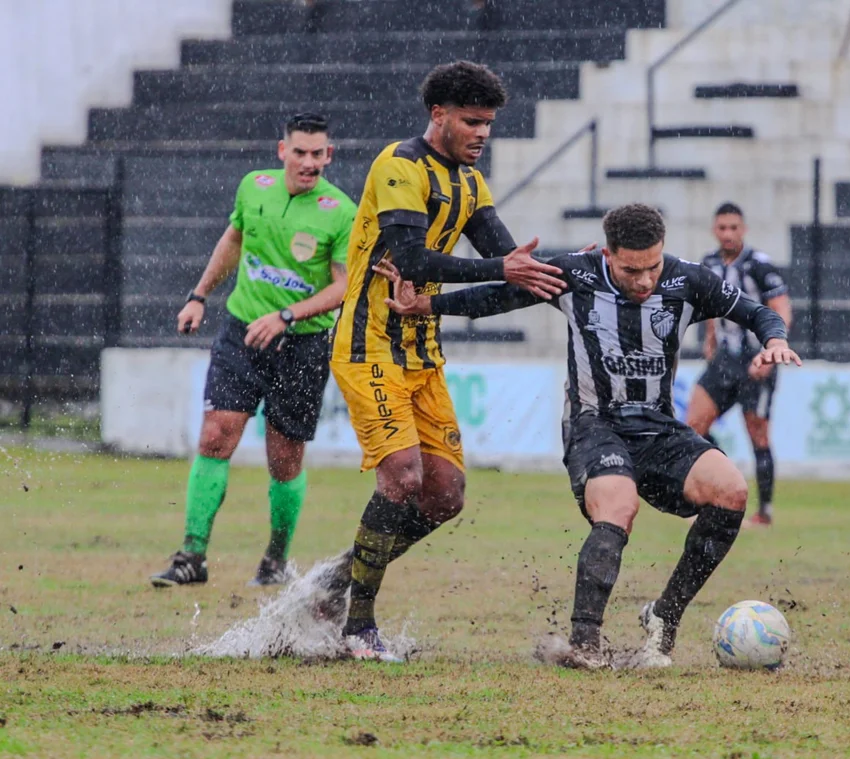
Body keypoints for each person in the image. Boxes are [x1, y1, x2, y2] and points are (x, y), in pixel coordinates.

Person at [377, 203, 801, 669]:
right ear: (607, 253)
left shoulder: (686, 280)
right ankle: (584, 643)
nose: (644, 281)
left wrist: (775, 340)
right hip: (593, 425)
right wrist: (427, 304)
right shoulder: (575, 273)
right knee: (619, 506)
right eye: (631, 270)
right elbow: (500, 297)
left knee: (732, 491)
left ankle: (664, 617)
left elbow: (757, 312)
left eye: (652, 268)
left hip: (658, 428)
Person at [327, 61, 565, 660]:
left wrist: (559, 270)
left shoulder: (472, 186)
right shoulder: (400, 165)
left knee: (445, 497)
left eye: (488, 123)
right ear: (439, 115)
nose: (482, 133)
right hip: (368, 344)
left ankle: (343, 575)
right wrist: (498, 268)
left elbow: (516, 283)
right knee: (403, 477)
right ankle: (356, 627)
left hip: (423, 352)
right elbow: (410, 256)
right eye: (472, 121)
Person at [150, 113, 357, 588]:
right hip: (242, 332)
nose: (309, 163)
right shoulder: (253, 187)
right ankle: (192, 556)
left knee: (283, 460)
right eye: (300, 152)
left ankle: (275, 559)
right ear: (282, 150)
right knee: (214, 437)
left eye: (318, 154)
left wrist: (287, 316)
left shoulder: (342, 211)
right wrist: (199, 296)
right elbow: (234, 238)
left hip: (302, 346)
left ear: (330, 155)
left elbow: (344, 287)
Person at [686, 203, 792, 527]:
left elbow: (781, 309)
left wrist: (771, 353)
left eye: (734, 228)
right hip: (724, 361)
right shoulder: (708, 264)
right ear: (714, 230)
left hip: (756, 362)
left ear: (743, 230)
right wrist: (709, 341)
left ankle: (765, 512)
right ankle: (720, 489)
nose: (728, 234)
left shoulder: (759, 266)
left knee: (757, 435)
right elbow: (709, 308)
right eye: (722, 228)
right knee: (692, 428)